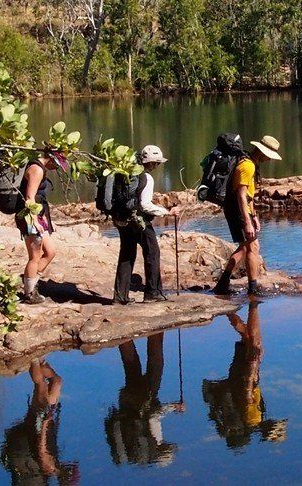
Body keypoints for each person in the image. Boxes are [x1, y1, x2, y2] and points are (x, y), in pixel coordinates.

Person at [202, 300, 288, 447]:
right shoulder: (254, 422)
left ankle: (249, 306)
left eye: (275, 425)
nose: (275, 420)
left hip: (244, 373)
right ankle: (228, 311)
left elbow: (248, 397)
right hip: (238, 376)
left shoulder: (255, 419)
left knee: (253, 340)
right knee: (247, 336)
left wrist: (253, 365)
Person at [213, 136, 282, 296]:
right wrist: (247, 222)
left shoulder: (249, 163)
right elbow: (241, 195)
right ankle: (253, 289)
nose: (269, 160)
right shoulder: (247, 166)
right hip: (238, 209)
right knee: (253, 246)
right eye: (268, 156)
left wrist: (254, 215)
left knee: (245, 247)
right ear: (261, 152)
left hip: (240, 208)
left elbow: (247, 196)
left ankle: (222, 283)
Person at [104, 333, 184, 466]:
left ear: (163, 450)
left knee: (156, 362)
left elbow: (153, 416)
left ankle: (156, 331)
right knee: (131, 367)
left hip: (145, 399)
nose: (167, 444)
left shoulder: (155, 441)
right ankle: (123, 336)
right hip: (127, 403)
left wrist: (173, 406)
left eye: (167, 447)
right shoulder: (143, 447)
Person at [113, 145, 178, 305]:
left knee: (127, 254)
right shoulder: (146, 178)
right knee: (152, 252)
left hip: (121, 218)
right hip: (138, 221)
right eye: (157, 163)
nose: (157, 166)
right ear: (152, 163)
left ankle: (120, 297)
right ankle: (152, 293)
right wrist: (166, 212)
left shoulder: (125, 172)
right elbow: (145, 205)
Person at [0, 359, 79, 484]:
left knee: (41, 386)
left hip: (39, 426)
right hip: (39, 426)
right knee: (57, 382)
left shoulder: (51, 467)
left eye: (70, 467)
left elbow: (42, 450)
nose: (69, 463)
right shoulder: (54, 468)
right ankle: (41, 363)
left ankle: (35, 360)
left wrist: (44, 423)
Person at [16, 149, 69, 304]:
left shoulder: (41, 168)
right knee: (35, 256)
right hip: (29, 216)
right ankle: (29, 293)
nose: (57, 168)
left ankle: (31, 282)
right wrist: (35, 221)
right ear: (51, 158)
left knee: (50, 252)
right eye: (58, 164)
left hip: (38, 216)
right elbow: (29, 198)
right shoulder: (37, 169)